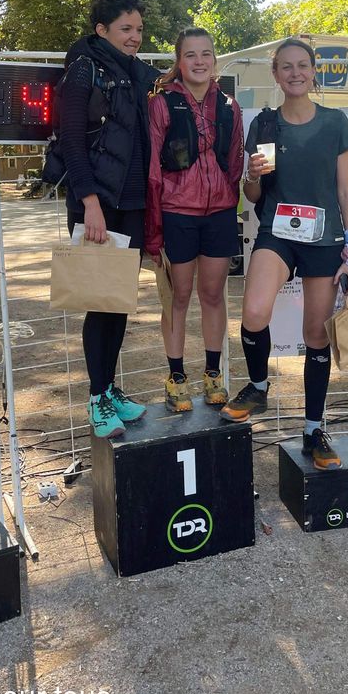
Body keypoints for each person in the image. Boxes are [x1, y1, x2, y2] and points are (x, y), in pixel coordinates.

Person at [220, 38, 348, 470]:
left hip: (324, 240)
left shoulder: (335, 122)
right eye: (286, 66)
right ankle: (258, 386)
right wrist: (251, 175)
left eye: (303, 65)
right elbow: (252, 195)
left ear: (314, 70)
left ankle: (313, 429)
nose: (295, 73)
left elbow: (346, 191)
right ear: (276, 73)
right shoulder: (264, 125)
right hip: (277, 234)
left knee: (316, 335)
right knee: (253, 311)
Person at [60, 0, 160, 438]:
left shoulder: (137, 73)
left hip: (132, 204)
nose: (134, 36)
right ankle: (97, 397)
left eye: (139, 29)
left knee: (117, 304)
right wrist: (90, 205)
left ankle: (109, 389)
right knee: (100, 305)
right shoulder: (84, 69)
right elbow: (71, 141)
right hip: (98, 206)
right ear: (101, 30)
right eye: (125, 28)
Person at [145, 28, 244, 412]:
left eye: (206, 54)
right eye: (191, 54)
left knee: (214, 294)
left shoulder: (230, 106)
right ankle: (176, 377)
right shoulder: (162, 104)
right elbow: (153, 170)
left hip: (219, 214)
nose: (199, 61)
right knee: (179, 296)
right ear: (179, 61)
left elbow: (234, 162)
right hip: (177, 213)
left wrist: (226, 199)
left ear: (215, 59)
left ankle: (213, 373)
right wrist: (154, 230)